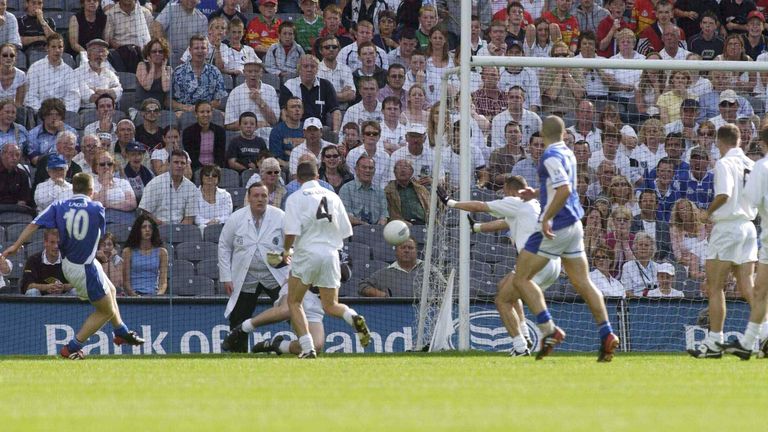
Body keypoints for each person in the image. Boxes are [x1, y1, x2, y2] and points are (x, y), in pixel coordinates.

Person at [1, 173, 145, 359]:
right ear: (91, 190)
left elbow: (34, 224)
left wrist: (15, 246)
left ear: (73, 188)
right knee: (106, 311)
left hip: (69, 263)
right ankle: (71, 348)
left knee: (111, 290)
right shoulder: (97, 207)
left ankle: (121, 332)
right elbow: (98, 235)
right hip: (85, 267)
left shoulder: (59, 205)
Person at [513, 116, 619, 361]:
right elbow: (559, 185)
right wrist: (535, 193)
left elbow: (564, 189)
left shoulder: (549, 156)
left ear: (542, 133)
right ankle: (607, 333)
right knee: (583, 283)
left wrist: (546, 217)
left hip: (557, 226)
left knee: (521, 279)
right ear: (563, 134)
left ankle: (549, 329)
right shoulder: (568, 153)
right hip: (575, 225)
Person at [441, 175, 561, 355]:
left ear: (510, 189)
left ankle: (520, 347)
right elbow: (505, 222)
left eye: (504, 191)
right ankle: (525, 335)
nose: (503, 194)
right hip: (552, 262)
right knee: (503, 285)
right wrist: (477, 227)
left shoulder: (516, 200)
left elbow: (480, 206)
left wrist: (450, 202)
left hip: (535, 262)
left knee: (502, 300)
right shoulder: (533, 204)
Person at [283, 159, 371, 358]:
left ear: (297, 179)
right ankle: (353, 316)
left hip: (307, 253)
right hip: (331, 254)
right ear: (317, 176)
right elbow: (346, 231)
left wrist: (286, 251)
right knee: (331, 305)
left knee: (294, 302)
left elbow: (291, 232)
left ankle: (308, 348)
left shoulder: (295, 198)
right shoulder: (333, 196)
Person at [689, 124, 757, 359]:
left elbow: (724, 194)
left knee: (715, 286)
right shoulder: (751, 164)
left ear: (719, 141)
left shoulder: (724, 163)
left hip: (728, 227)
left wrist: (706, 214)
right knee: (748, 286)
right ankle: (765, 331)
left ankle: (715, 341)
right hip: (748, 227)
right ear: (740, 140)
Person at [217, 182, 292, 352]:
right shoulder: (236, 218)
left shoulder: (280, 216)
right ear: (249, 198)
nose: (260, 199)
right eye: (256, 196)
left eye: (264, 196)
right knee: (239, 316)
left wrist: (286, 258)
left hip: (275, 275)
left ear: (269, 198)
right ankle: (238, 352)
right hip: (247, 276)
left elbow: (294, 245)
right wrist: (226, 277)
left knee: (292, 310)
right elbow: (224, 246)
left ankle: (303, 344)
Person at [719, 126, 768, 359]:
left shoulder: (761, 167)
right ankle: (749, 343)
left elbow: (751, 199)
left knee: (760, 291)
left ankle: (749, 343)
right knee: (759, 290)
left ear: (763, 143)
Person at [139, 149, 198, 225]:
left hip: (181, 229)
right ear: (169, 164)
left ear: (186, 166)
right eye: (176, 162)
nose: (179, 166)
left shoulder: (191, 188)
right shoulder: (155, 183)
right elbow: (145, 212)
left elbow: (189, 218)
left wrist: (178, 229)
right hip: (156, 227)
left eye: (182, 163)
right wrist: (163, 226)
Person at [24, 34, 80, 113]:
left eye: (60, 47)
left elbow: (73, 98)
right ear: (47, 48)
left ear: (63, 49)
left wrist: (61, 113)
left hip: (62, 115)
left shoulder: (69, 72)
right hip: (40, 114)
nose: (57, 50)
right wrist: (43, 112)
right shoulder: (35, 68)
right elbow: (30, 96)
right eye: (53, 47)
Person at [171, 35, 228, 112]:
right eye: (196, 48)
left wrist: (202, 109)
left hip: (207, 114)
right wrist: (184, 107)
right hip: (185, 113)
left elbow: (218, 101)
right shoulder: (178, 72)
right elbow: (168, 100)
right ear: (190, 50)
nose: (200, 51)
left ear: (207, 50)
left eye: (203, 48)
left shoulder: (215, 72)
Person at [121, 214, 168, 297]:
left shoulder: (162, 252)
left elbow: (163, 282)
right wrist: (135, 296)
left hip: (154, 296)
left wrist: (158, 295)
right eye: (144, 227)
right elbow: (126, 283)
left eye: (150, 227)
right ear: (138, 230)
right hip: (134, 297)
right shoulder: (127, 252)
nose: (147, 230)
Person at [359, 237, 423, 297]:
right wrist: (381, 294)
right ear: (396, 252)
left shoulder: (427, 269)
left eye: (410, 248)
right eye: (403, 247)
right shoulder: (384, 274)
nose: (406, 250)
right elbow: (362, 287)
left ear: (416, 251)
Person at [224, 61, 279, 130]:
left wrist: (260, 102)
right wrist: (255, 125)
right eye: (249, 71)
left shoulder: (270, 90)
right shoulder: (235, 92)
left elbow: (274, 121)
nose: (253, 74)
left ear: (261, 73)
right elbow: (229, 125)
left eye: (256, 71)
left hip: (266, 132)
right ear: (244, 73)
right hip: (242, 134)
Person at [19, 228, 74, 296]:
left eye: (58, 242)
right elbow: (27, 286)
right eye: (52, 242)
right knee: (32, 292)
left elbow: (79, 283)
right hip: (40, 298)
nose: (56, 246)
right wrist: (46, 287)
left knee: (76, 291)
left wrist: (63, 287)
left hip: (64, 297)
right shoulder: (33, 260)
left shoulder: (69, 260)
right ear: (45, 243)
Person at [339, 154, 388, 226]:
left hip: (376, 230)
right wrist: (366, 226)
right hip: (354, 229)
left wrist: (380, 224)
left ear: (374, 171)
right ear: (356, 170)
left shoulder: (380, 192)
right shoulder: (346, 189)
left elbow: (384, 215)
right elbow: (347, 216)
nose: (367, 170)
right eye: (364, 167)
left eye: (371, 168)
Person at [92, 148, 137, 224]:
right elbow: (98, 205)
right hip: (103, 221)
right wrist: (105, 184)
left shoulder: (123, 182)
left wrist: (109, 205)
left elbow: (132, 204)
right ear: (96, 168)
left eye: (109, 164)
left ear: (113, 166)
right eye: (102, 164)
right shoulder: (92, 184)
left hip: (125, 220)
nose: (106, 167)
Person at [75, 38, 123, 110]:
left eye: (103, 51)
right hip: (89, 111)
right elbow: (87, 97)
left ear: (106, 56)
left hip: (110, 110)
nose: (100, 55)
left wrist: (98, 91)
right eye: (96, 51)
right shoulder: (77, 73)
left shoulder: (110, 73)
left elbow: (119, 91)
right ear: (88, 55)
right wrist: (109, 93)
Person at [182, 100, 227, 171]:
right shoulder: (188, 132)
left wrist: (213, 168)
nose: (205, 115)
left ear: (212, 113)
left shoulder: (220, 131)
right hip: (196, 169)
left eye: (208, 112)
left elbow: (220, 155)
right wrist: (203, 170)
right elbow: (191, 156)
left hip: (216, 169)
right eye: (202, 112)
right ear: (196, 114)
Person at [385, 159, 429, 225]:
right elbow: (389, 213)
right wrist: (400, 222)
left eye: (405, 167)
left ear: (411, 172)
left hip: (423, 224)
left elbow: (429, 207)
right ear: (394, 172)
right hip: (401, 225)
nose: (402, 170)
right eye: (399, 167)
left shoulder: (421, 189)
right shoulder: (388, 191)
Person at [195, 164, 233, 233]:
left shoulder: (226, 195)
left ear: (218, 179)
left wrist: (217, 221)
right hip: (202, 228)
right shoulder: (194, 195)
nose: (210, 177)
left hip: (221, 227)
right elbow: (196, 218)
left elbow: (227, 215)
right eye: (207, 175)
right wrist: (208, 223)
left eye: (214, 175)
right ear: (201, 177)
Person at [135, 37, 172, 109]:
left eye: (160, 51)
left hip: (159, 109)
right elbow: (147, 86)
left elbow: (166, 88)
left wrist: (163, 67)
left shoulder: (168, 69)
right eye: (154, 51)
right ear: (148, 54)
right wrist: (152, 67)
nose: (157, 54)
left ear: (164, 54)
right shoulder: (142, 65)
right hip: (142, 108)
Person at [0, 143, 34, 215]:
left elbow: (23, 200)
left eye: (17, 155)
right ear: (2, 155)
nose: (14, 158)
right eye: (11, 154)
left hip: (15, 211)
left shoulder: (22, 174)